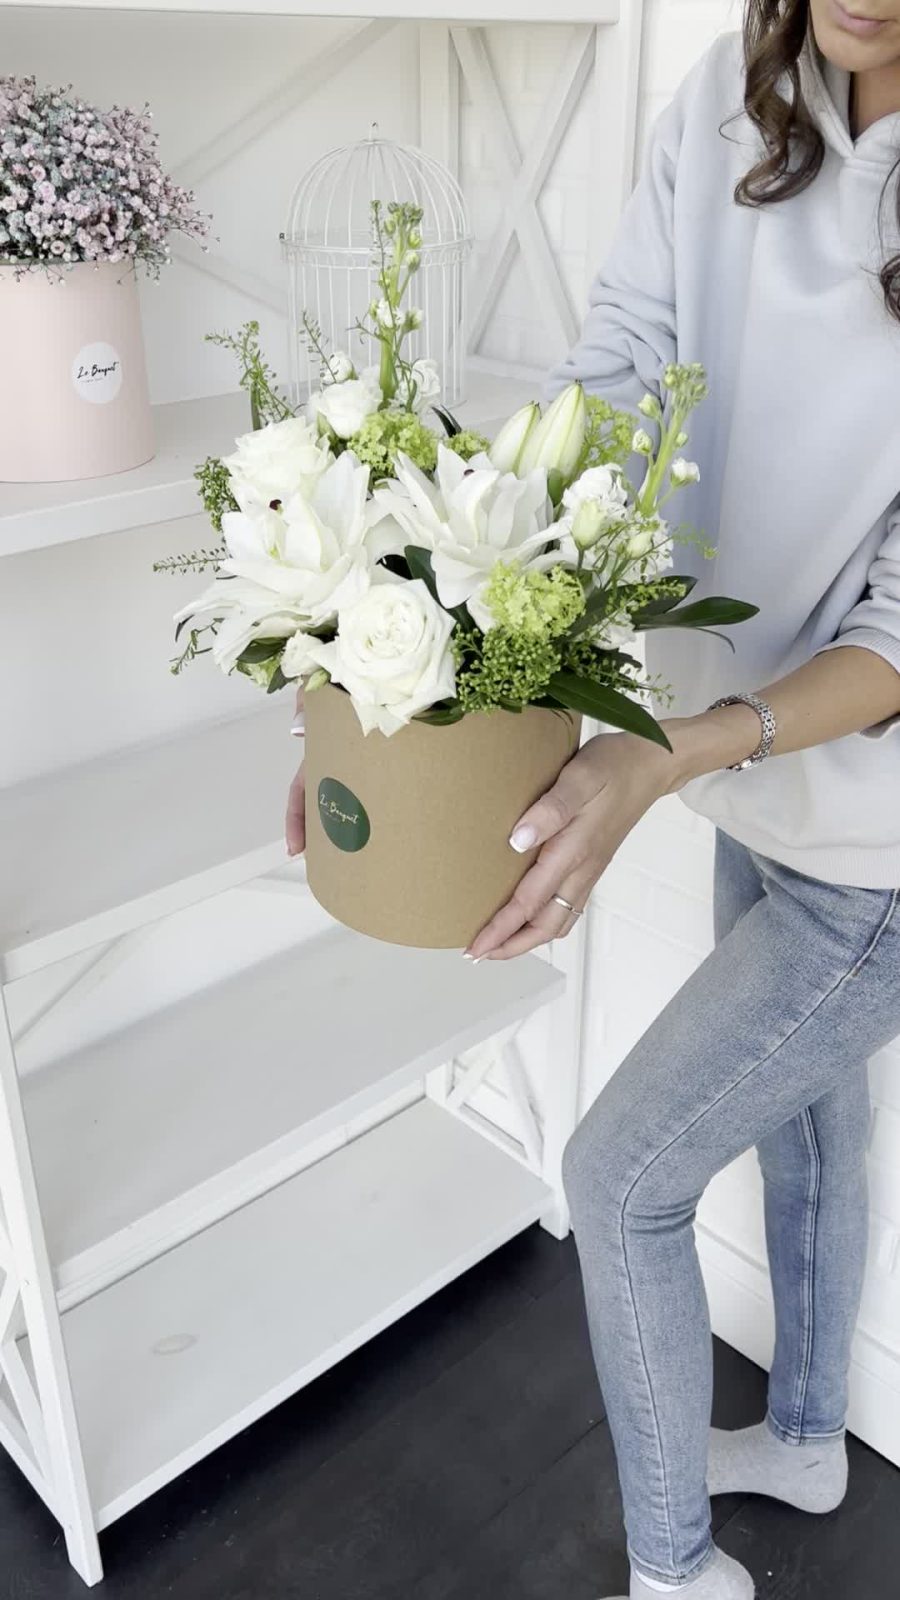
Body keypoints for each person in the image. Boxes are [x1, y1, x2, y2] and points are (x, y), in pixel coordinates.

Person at [285, 2, 900, 1594]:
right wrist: (387, 669)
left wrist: (659, 753)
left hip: (876, 840)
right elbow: (612, 371)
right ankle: (811, 1439)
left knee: (621, 1180)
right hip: (755, 788)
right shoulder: (735, 93)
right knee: (814, 1135)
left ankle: (675, 1572)